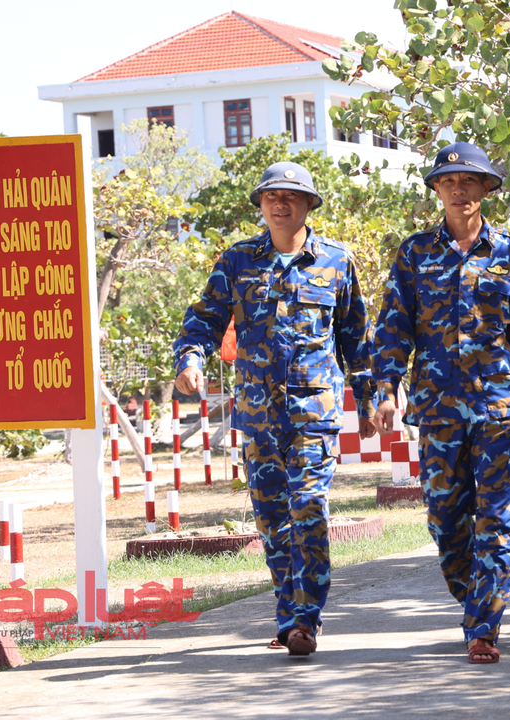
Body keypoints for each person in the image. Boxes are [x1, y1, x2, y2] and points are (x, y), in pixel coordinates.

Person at [173, 162, 376, 656]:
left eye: (290, 196)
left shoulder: (336, 262)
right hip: (258, 415)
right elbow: (204, 319)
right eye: (271, 196)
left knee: (308, 508)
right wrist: (190, 359)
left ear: (309, 204)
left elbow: (356, 338)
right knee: (272, 522)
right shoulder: (238, 260)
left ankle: (305, 620)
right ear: (261, 205)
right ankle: (289, 618)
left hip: (314, 413)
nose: (280, 204)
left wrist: (369, 400)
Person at [371, 141, 510, 665]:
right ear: (437, 190)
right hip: (438, 406)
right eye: (449, 182)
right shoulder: (414, 253)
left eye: (469, 181)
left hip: (498, 404)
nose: (459, 189)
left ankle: (483, 626)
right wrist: (386, 389)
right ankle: (474, 600)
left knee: (495, 519)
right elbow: (394, 326)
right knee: (445, 521)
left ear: (487, 188)